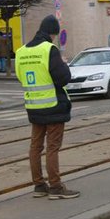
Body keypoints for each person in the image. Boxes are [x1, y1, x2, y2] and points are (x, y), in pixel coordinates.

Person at [14, 15, 79, 199]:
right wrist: (64, 64)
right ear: (53, 33)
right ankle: (56, 187)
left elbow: (20, 77)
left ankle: (39, 185)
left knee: (35, 147)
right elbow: (63, 78)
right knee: (52, 147)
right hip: (53, 105)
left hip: (33, 106)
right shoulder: (49, 50)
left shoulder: (22, 51)